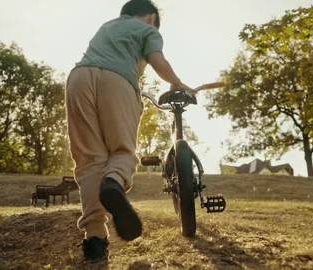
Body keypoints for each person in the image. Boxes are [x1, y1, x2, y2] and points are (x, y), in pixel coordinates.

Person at [65, 0, 195, 261]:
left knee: (89, 160)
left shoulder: (108, 26)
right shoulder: (148, 30)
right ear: (150, 18)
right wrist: (177, 83)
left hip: (78, 78)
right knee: (121, 150)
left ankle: (95, 238)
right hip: (117, 81)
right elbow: (158, 60)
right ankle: (113, 183)